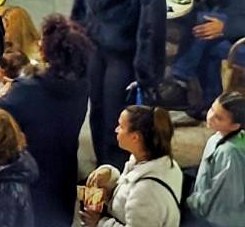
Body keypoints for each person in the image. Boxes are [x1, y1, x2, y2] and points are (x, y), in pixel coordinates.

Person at [72, 0, 167, 169]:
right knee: (97, 108)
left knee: (116, 114)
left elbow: (151, 31)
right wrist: (74, 45)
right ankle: (102, 166)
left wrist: (145, 74)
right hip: (93, 49)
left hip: (122, 57)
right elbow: (80, 8)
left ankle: (116, 167)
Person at [0, 14, 93, 227]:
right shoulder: (81, 83)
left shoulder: (26, 91)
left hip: (32, 180)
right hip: (64, 173)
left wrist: (3, 94)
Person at [83, 105, 183, 227]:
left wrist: (99, 222)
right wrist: (109, 174)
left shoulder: (146, 192)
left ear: (135, 137)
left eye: (121, 126)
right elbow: (128, 185)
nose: (116, 130)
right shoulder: (163, 163)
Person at [190, 92, 245, 227]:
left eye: (219, 118)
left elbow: (222, 196)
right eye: (212, 109)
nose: (210, 117)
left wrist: (194, 202)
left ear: (234, 126)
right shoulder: (217, 137)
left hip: (221, 219)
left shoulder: (229, 152)